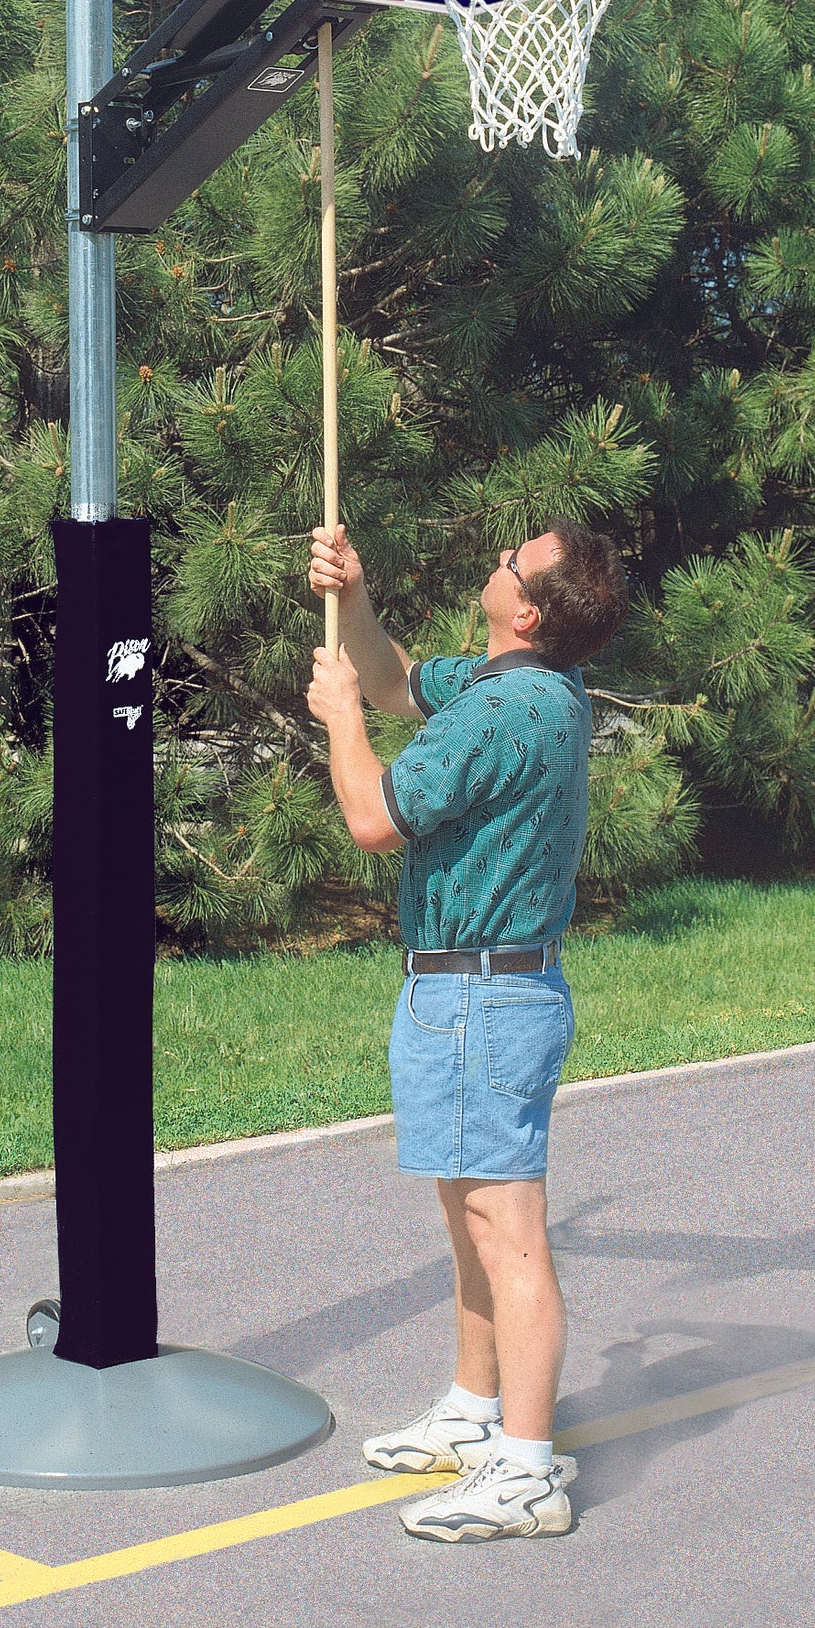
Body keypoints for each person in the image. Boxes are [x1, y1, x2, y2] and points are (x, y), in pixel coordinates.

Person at [305, 518, 629, 1543]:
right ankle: (473, 1412)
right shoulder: (514, 684)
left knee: (509, 1235)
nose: (492, 558)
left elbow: (372, 815)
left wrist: (338, 719)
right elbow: (401, 678)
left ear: (523, 608)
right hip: (465, 990)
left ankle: (526, 1472)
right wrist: (352, 598)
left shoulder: (510, 711)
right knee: (469, 1222)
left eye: (508, 561)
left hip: (484, 998)